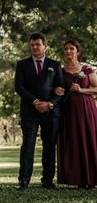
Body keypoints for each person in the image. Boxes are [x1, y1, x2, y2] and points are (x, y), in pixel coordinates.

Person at [14, 33, 64, 190]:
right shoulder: (22, 64)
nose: (34, 47)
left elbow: (61, 89)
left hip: (50, 112)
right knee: (28, 145)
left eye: (38, 44)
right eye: (32, 45)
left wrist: (49, 104)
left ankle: (47, 180)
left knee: (49, 146)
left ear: (45, 46)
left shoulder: (55, 65)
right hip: (29, 111)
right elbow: (19, 87)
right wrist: (35, 102)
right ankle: (23, 180)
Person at [57, 40, 97, 188]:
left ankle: (91, 179)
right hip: (68, 111)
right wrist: (57, 91)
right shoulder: (60, 71)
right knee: (73, 141)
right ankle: (77, 179)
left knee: (88, 139)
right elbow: (57, 90)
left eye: (71, 49)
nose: (68, 51)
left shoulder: (87, 69)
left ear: (77, 52)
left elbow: (96, 88)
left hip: (86, 109)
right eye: (66, 48)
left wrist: (81, 90)